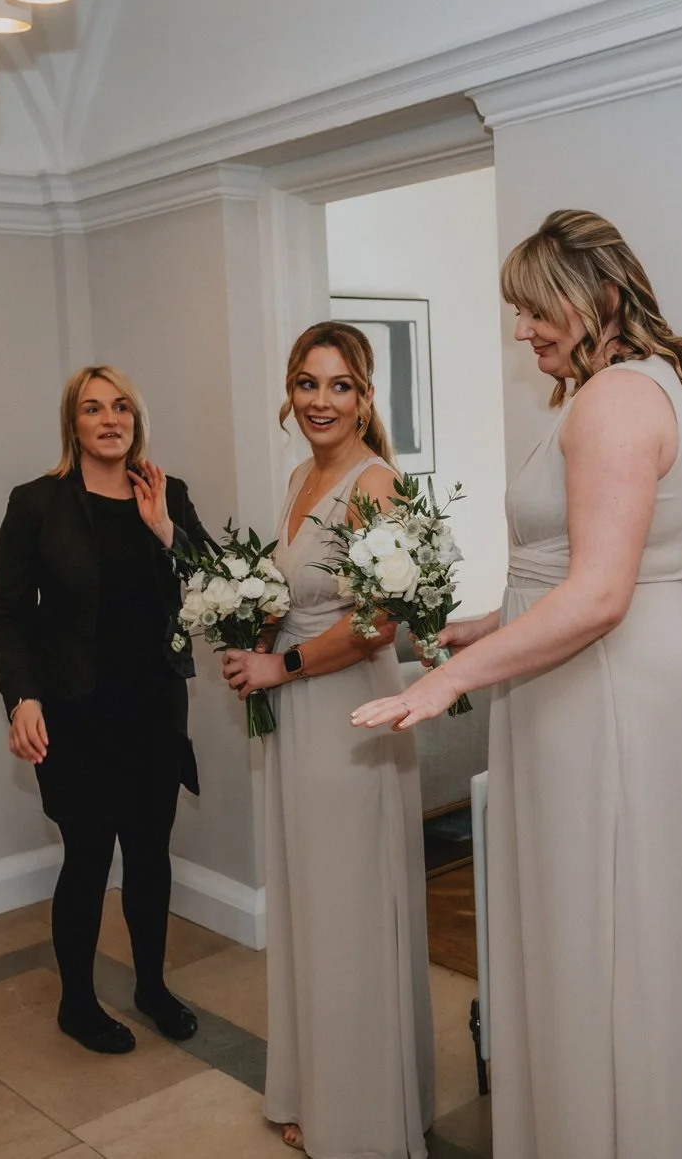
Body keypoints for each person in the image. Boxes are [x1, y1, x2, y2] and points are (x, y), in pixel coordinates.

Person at [353, 211, 682, 1158]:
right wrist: (491, 624)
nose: (523, 330)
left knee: (608, 941)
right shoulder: (615, 391)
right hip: (580, 681)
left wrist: (451, 677)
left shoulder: (614, 400)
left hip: (608, 692)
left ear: (599, 298)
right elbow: (580, 566)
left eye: (535, 310)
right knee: (591, 934)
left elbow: (603, 593)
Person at [219, 322, 435, 1157]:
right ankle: (324, 1084)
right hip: (299, 713)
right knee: (312, 903)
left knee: (348, 909)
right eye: (307, 383)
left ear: (365, 396)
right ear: (290, 391)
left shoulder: (377, 485)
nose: (320, 400)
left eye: (339, 385)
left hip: (348, 711)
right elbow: (296, 589)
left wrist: (284, 665)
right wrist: (247, 619)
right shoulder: (301, 475)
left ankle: (362, 1114)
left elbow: (379, 625)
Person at [0, 364, 212, 1055]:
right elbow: (8, 614)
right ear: (74, 424)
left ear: (135, 419)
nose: (109, 418)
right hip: (75, 712)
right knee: (87, 857)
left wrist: (164, 528)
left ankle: (151, 986)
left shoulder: (166, 492)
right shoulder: (36, 502)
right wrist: (21, 697)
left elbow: (220, 580)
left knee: (150, 854)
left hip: (152, 707)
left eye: (121, 406)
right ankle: (78, 1002)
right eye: (93, 408)